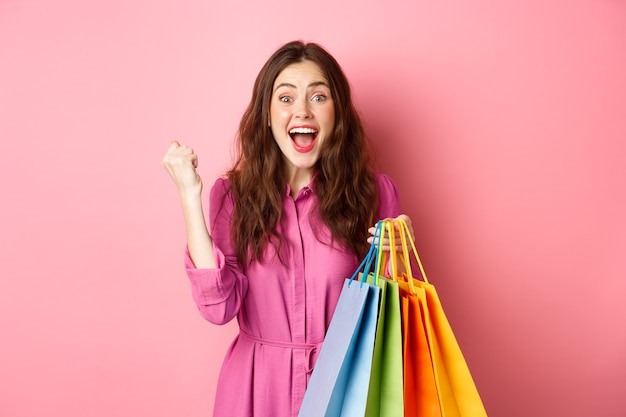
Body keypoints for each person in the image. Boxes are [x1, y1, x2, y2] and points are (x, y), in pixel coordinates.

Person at [162, 40, 413, 417]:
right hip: (254, 392)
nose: (302, 110)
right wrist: (189, 196)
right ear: (266, 114)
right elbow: (218, 308)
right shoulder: (233, 196)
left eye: (318, 97)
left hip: (344, 392)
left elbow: (393, 318)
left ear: (337, 112)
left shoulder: (374, 194)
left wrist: (400, 252)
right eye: (285, 98)